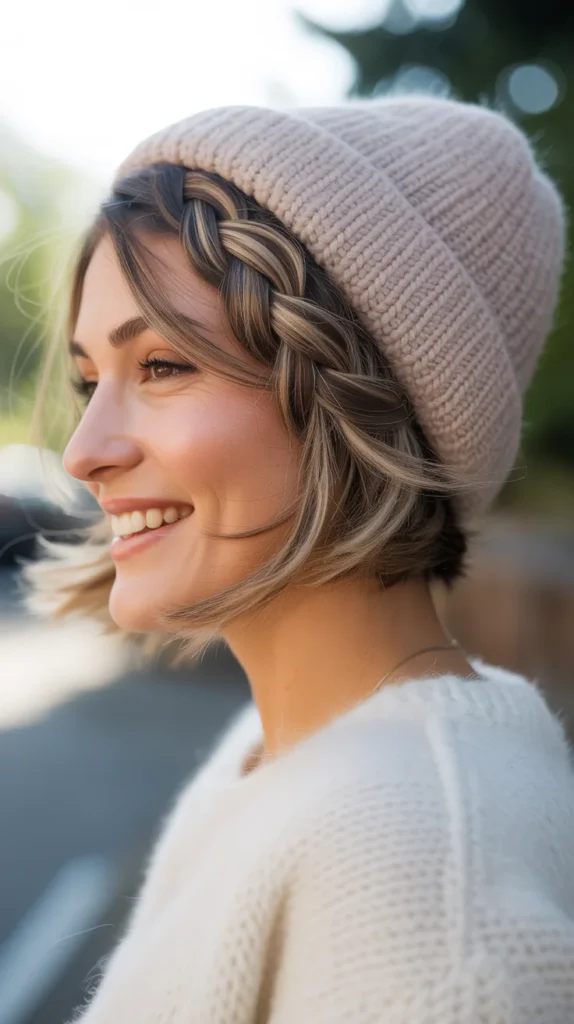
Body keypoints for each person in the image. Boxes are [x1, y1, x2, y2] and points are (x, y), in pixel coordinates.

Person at [27, 95, 574, 1021]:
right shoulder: (285, 755)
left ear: (353, 400)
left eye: (161, 366)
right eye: (89, 381)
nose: (83, 451)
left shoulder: (424, 888)